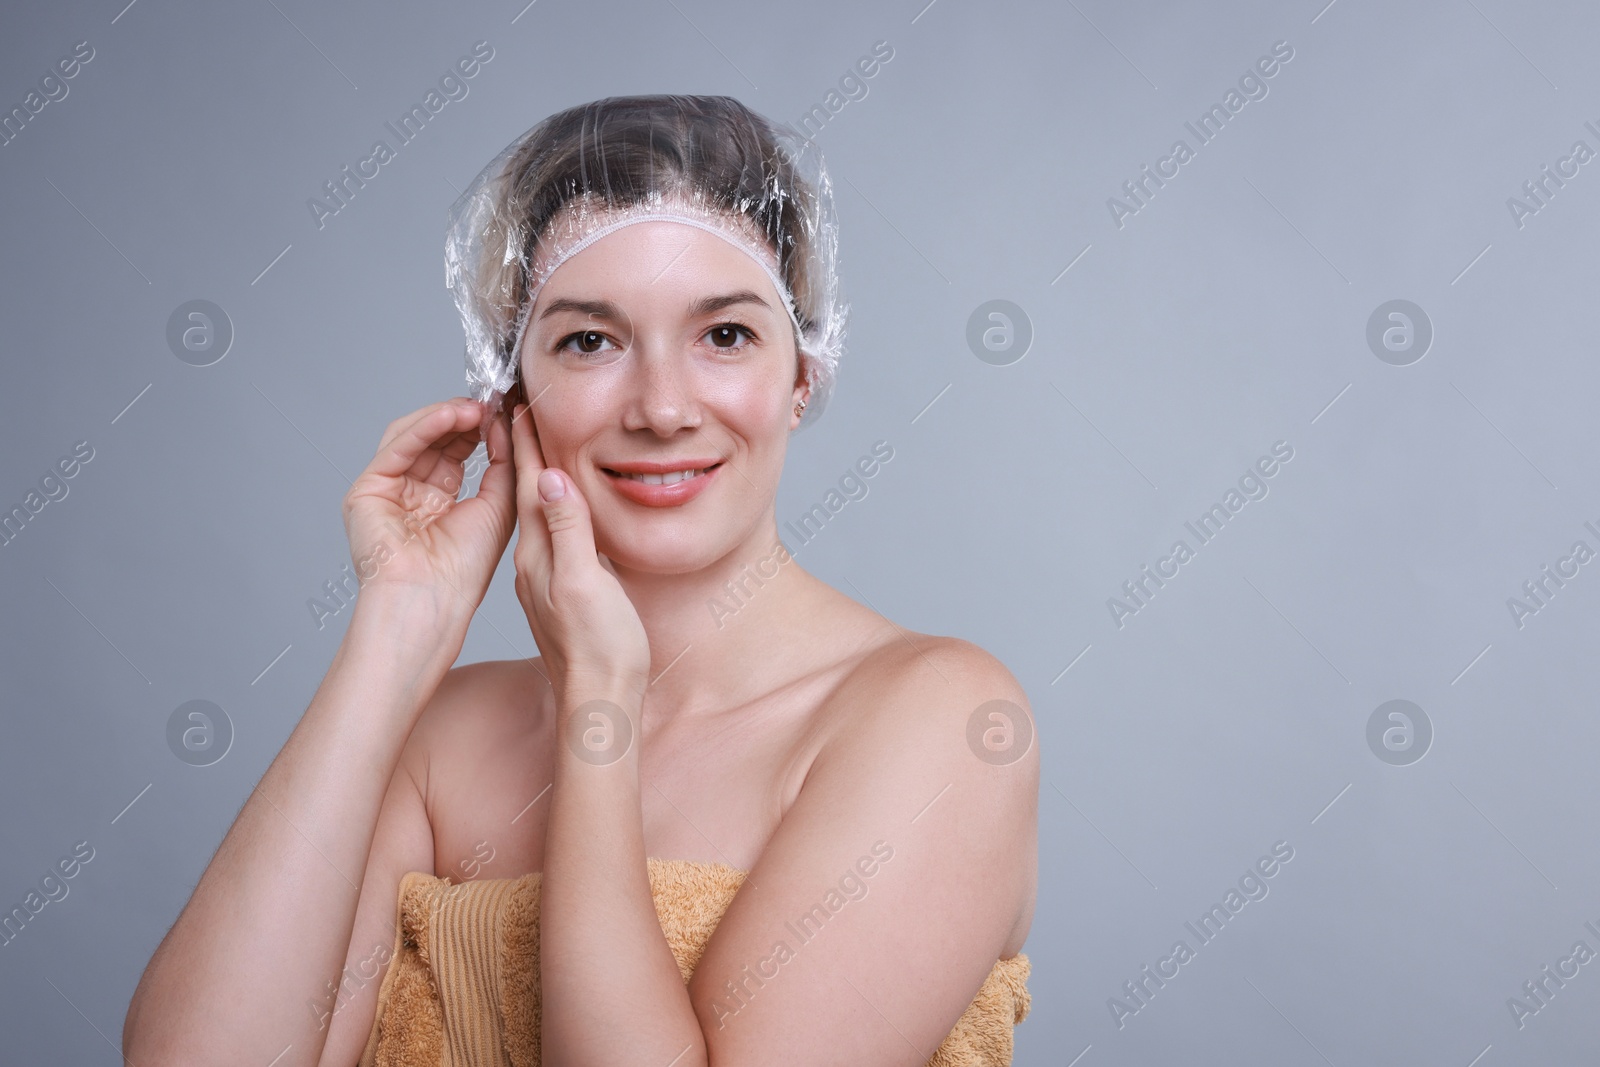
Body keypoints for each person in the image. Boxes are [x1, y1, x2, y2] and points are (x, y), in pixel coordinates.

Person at [123, 94, 1038, 1067]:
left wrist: (597, 719)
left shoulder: (940, 720)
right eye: (589, 341)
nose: (661, 405)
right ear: (513, 392)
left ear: (802, 372)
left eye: (724, 334)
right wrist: (396, 634)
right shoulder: (440, 741)